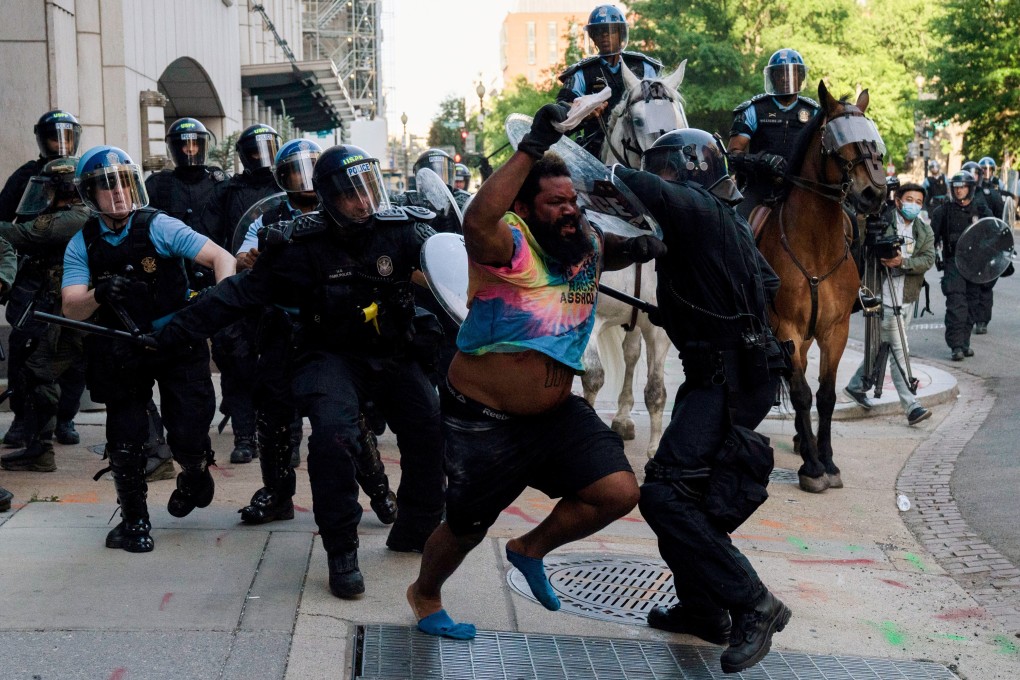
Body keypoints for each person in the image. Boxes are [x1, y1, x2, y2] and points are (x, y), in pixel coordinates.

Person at [407, 103, 662, 641]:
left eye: (573, 200)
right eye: (555, 202)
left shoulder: (584, 241)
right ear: (523, 207)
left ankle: (529, 549)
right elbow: (477, 219)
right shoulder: (509, 246)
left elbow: (611, 248)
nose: (569, 209)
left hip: (554, 416)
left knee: (617, 492)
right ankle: (425, 592)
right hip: (484, 419)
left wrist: (650, 239)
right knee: (466, 527)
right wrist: (533, 145)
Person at [156, 144, 446, 598]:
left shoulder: (402, 230)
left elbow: (453, 268)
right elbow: (238, 294)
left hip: (393, 351)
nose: (364, 202)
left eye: (369, 189)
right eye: (351, 194)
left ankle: (416, 528)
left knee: (429, 423)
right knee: (332, 437)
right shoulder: (297, 244)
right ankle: (342, 552)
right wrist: (173, 331)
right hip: (328, 355)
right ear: (328, 197)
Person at [614, 128, 792, 675]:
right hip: (734, 370)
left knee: (666, 496)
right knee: (683, 494)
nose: (662, 179)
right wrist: (696, 307)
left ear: (687, 171)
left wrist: (586, 162)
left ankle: (753, 603)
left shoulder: (695, 207)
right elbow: (764, 282)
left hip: (727, 379)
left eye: (667, 169)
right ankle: (703, 609)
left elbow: (636, 182)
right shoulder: (724, 217)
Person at [61, 146, 236, 553]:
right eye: (106, 187)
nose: (118, 193)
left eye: (123, 182)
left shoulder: (159, 225)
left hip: (176, 339)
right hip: (122, 347)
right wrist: (98, 294)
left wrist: (215, 308)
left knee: (189, 427)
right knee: (125, 436)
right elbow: (71, 305)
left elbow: (220, 258)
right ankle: (134, 521)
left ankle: (193, 472)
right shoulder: (81, 243)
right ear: (90, 196)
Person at [231, 139, 398, 526]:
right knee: (272, 415)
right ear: (283, 176)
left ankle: (379, 490)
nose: (304, 178)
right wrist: (249, 259)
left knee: (345, 417)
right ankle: (276, 494)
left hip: (331, 329)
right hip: (281, 328)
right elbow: (241, 258)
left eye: (311, 169)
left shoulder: (340, 208)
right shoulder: (269, 219)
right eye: (295, 170)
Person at [0, 110, 84, 449]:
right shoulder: (26, 176)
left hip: (76, 278)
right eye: (53, 137)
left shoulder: (85, 171)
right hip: (34, 280)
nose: (60, 144)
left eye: (66, 136)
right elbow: (8, 225)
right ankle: (26, 422)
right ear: (41, 138)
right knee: (26, 352)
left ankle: (65, 418)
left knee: (74, 358)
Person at [199, 123, 282, 464]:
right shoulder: (228, 191)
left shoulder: (289, 185)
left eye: (269, 147)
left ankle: (281, 437)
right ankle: (245, 436)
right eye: (255, 150)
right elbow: (211, 237)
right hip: (238, 284)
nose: (263, 156)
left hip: (280, 291)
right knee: (235, 360)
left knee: (278, 366)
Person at [843, 183, 936, 425]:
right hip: (882, 298)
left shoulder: (924, 231)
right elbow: (861, 245)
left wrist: (902, 262)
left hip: (906, 299)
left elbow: (928, 259)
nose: (913, 205)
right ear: (897, 201)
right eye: (909, 199)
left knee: (880, 345)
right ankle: (911, 405)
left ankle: (855, 386)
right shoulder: (882, 222)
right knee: (899, 350)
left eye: (918, 201)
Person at [556, 4, 661, 159]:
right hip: (595, 151)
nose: (604, 36)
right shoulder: (581, 72)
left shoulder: (644, 67)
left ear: (621, 34)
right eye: (598, 32)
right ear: (592, 37)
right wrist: (585, 110)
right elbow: (561, 112)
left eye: (610, 31)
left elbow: (660, 107)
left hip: (645, 146)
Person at [727, 48, 821, 219]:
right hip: (760, 188)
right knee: (737, 222)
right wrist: (763, 161)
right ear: (772, 78)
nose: (786, 79)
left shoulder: (814, 112)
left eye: (792, 74)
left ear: (800, 78)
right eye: (780, 74)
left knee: (848, 219)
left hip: (802, 187)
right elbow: (732, 155)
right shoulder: (754, 109)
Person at [930, 170, 992, 361]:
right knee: (957, 305)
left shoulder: (981, 210)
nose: (959, 191)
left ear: (970, 188)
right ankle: (956, 346)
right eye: (956, 187)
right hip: (953, 263)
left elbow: (994, 233)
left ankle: (965, 343)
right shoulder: (943, 211)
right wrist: (934, 256)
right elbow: (931, 238)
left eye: (963, 187)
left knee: (972, 303)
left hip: (975, 265)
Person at [0, 110, 82, 222]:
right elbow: (3, 214)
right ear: (44, 140)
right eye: (55, 139)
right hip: (31, 234)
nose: (62, 144)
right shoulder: (27, 172)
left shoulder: (82, 170)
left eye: (67, 139)